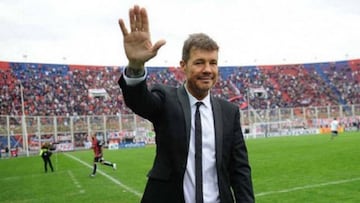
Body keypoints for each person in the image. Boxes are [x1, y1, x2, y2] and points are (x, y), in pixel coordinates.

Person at [117, 5, 254, 203]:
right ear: (183, 66)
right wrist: (136, 67)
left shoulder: (229, 112)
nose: (207, 69)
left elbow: (240, 170)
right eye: (199, 62)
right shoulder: (166, 99)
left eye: (213, 62)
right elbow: (139, 101)